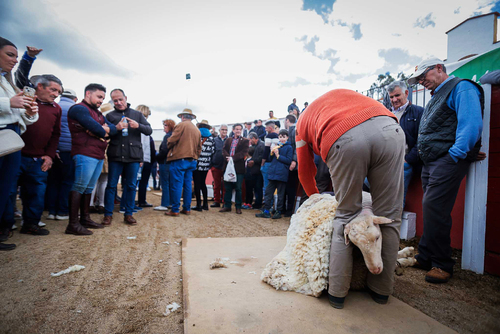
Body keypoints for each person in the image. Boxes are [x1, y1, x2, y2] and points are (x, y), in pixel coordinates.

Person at [297, 89, 405, 309]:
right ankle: (381, 291)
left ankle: (337, 294)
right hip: (389, 129)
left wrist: (316, 199)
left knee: (345, 216)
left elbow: (305, 169)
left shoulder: (301, 124)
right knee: (389, 215)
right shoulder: (347, 97)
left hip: (343, 137)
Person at [407, 58, 484, 284]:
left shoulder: (462, 87)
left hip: (446, 159)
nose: (422, 82)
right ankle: (426, 255)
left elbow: (470, 124)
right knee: (430, 208)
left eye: (423, 76)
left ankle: (442, 263)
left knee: (435, 208)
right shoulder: (437, 96)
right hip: (433, 160)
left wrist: (456, 154)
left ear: (439, 68)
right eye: (418, 79)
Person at [0, 37, 39, 250]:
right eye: (10, 54)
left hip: (13, 137)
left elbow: (20, 115)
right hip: (2, 134)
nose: (14, 60)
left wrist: (29, 112)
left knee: (6, 189)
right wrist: (8, 102)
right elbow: (9, 105)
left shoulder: (7, 82)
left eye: (16, 56)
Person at [13, 74, 63, 236]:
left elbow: (55, 135)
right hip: (15, 154)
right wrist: (29, 58)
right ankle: (4, 226)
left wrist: (49, 156)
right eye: (53, 89)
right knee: (8, 192)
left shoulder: (57, 108)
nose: (56, 94)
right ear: (40, 86)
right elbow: (19, 75)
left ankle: (31, 224)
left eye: (59, 92)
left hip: (38, 159)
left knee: (37, 192)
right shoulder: (24, 99)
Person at [66, 83, 118, 235]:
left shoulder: (98, 113)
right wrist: (101, 130)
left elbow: (112, 130)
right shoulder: (79, 108)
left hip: (97, 153)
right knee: (80, 186)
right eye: (99, 96)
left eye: (103, 98)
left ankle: (85, 218)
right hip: (84, 152)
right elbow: (98, 129)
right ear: (88, 93)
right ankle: (73, 224)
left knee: (88, 188)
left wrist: (103, 129)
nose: (101, 100)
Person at [102, 89, 152, 226]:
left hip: (133, 156)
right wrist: (115, 128)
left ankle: (128, 214)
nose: (118, 103)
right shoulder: (110, 116)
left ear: (125, 98)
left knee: (130, 186)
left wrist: (138, 125)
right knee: (111, 185)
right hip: (116, 155)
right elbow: (105, 133)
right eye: (115, 100)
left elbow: (149, 130)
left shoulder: (137, 115)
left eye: (120, 99)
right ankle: (108, 215)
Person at [385, 81, 424, 208]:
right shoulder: (386, 114)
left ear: (406, 93)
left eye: (397, 95)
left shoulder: (419, 112)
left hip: (404, 162)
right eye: (391, 97)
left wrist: (408, 160)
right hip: (385, 161)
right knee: (366, 182)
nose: (394, 99)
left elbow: (422, 139)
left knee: (396, 199)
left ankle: (394, 224)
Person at [45, 88, 77, 221]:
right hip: (68, 149)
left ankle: (51, 211)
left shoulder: (55, 106)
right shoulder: (75, 108)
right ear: (74, 98)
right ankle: (62, 211)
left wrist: (53, 150)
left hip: (53, 151)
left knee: (53, 181)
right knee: (67, 181)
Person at [164, 109, 201, 217]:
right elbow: (199, 148)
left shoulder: (181, 125)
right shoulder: (196, 130)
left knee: (177, 185)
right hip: (192, 160)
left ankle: (175, 209)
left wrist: (168, 145)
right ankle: (186, 208)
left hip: (180, 159)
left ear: (182, 117)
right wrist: (195, 156)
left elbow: (171, 140)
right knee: (188, 185)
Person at [256, 129, 293, 219]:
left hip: (281, 174)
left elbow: (288, 160)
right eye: (280, 137)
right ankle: (266, 210)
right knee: (268, 193)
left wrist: (278, 156)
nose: (282, 139)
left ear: (287, 137)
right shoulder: (277, 146)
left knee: (280, 194)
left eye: (284, 137)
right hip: (273, 173)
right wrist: (272, 153)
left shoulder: (289, 147)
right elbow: (270, 158)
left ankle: (278, 211)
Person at [219, 123, 249, 214]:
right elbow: (223, 150)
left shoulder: (245, 141)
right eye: (236, 129)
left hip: (239, 168)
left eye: (240, 129)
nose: (238, 131)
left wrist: (232, 158)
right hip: (228, 166)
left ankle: (238, 206)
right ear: (233, 130)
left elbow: (244, 153)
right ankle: (227, 205)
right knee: (227, 187)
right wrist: (228, 157)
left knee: (238, 188)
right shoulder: (228, 140)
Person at [193, 120, 215, 211]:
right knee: (203, 183)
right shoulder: (211, 138)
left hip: (197, 164)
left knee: (197, 184)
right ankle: (205, 204)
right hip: (206, 164)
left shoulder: (197, 136)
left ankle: (198, 205)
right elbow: (213, 151)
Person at [136, 104, 156, 208]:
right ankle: (141, 201)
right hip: (143, 158)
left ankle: (135, 201)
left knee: (134, 181)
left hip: (140, 157)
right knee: (141, 181)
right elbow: (143, 144)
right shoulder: (143, 125)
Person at [155, 119, 175, 211]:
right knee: (171, 183)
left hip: (165, 162)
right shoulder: (175, 136)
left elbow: (164, 150)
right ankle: (170, 202)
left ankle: (165, 203)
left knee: (165, 183)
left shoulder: (167, 136)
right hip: (172, 162)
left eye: (165, 125)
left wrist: (157, 157)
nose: (164, 127)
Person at [210, 124, 228, 208]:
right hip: (216, 166)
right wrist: (211, 164)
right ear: (219, 130)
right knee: (216, 185)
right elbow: (211, 152)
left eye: (226, 130)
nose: (224, 131)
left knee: (225, 186)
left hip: (226, 166)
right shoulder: (214, 140)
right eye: (223, 129)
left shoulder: (230, 140)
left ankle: (225, 201)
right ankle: (216, 201)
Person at [284, 114, 298, 217]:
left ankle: (289, 210)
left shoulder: (294, 129)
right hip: (288, 163)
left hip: (292, 164)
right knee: (288, 187)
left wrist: (294, 160)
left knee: (290, 188)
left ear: (287, 120)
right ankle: (286, 210)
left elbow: (296, 146)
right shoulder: (291, 130)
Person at [247, 132, 265, 209]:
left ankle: (258, 204)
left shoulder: (261, 145)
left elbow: (262, 157)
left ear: (254, 138)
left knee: (258, 187)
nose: (250, 142)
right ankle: (257, 203)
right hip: (256, 170)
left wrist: (254, 161)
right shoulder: (257, 145)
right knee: (257, 188)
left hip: (259, 170)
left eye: (250, 140)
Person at [261, 120, 279, 191]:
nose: (265, 129)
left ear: (270, 128)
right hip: (275, 162)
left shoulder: (269, 136)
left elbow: (266, 150)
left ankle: (267, 201)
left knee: (266, 184)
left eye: (266, 128)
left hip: (268, 163)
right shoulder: (277, 136)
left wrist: (262, 163)